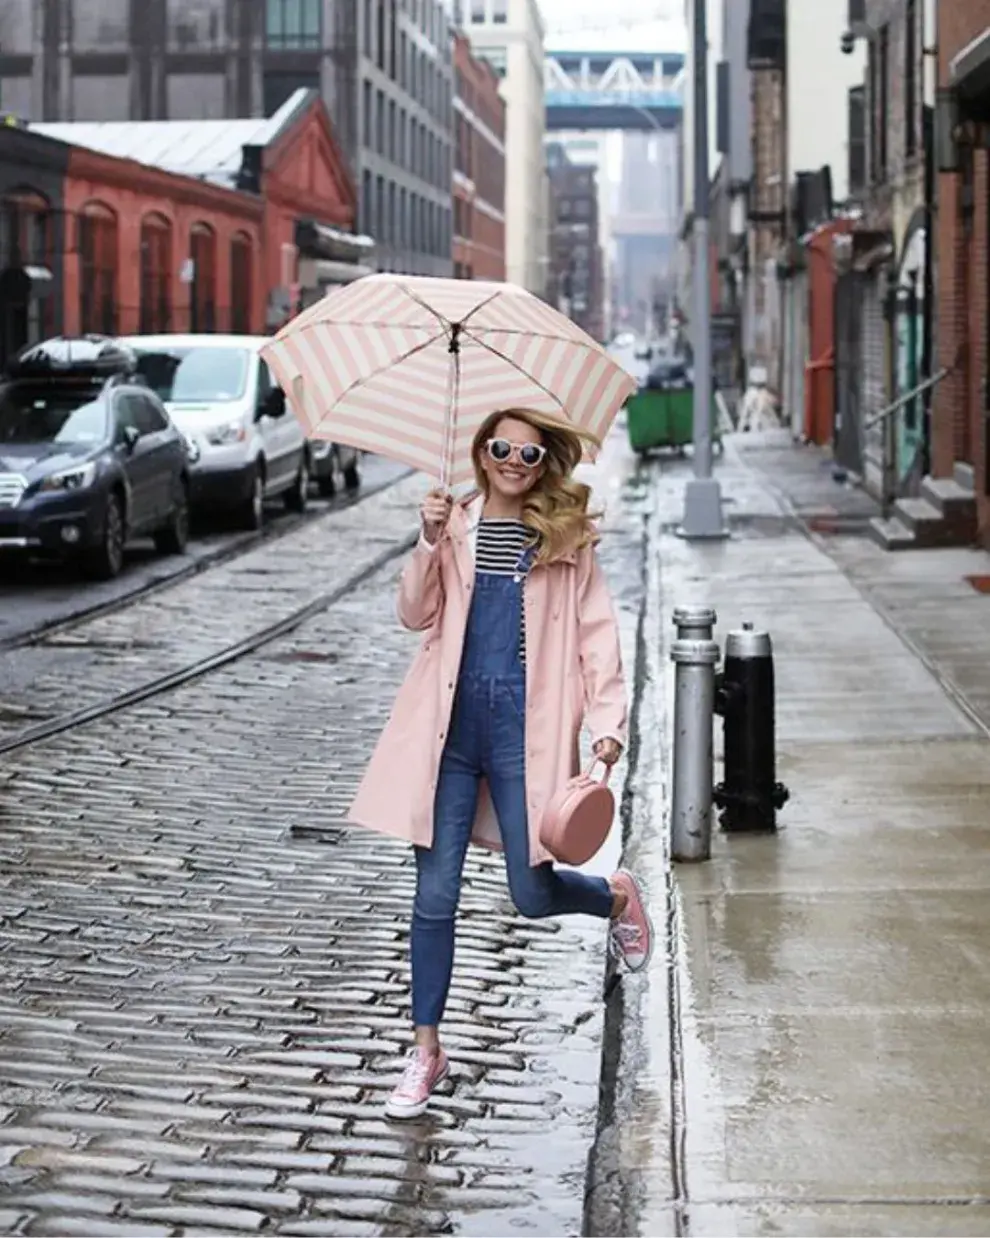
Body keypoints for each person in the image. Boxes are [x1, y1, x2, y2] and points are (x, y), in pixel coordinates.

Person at [348, 407, 654, 1121]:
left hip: (526, 733)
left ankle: (612, 896)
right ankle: (425, 1049)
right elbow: (414, 614)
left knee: (530, 892)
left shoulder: (566, 539)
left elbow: (598, 635)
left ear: (544, 461)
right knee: (434, 897)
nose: (513, 460)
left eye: (529, 451)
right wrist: (426, 542)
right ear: (481, 452)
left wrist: (608, 723)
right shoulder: (452, 522)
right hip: (450, 734)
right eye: (501, 447)